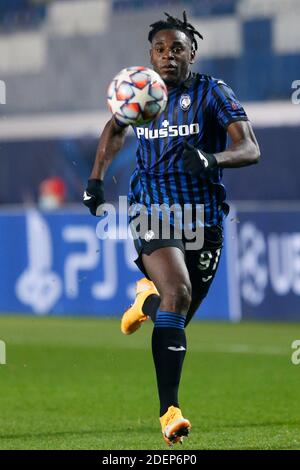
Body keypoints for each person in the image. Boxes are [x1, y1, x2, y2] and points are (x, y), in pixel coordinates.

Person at [83, 11, 260, 446]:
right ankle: (170, 412)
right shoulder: (143, 91)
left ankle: (145, 301)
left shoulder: (212, 93)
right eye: (160, 49)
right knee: (178, 294)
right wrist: (95, 180)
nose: (168, 56)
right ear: (150, 55)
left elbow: (249, 147)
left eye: (177, 48)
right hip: (152, 210)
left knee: (172, 310)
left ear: (192, 52)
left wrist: (211, 159)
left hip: (204, 220)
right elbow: (114, 128)